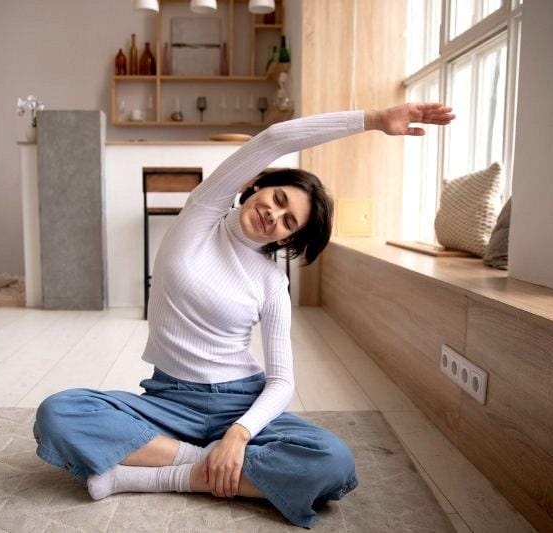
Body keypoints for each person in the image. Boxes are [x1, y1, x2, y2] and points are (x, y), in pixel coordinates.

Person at [33, 103, 455, 528]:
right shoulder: (199, 217)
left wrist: (240, 433)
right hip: (168, 402)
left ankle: (157, 474)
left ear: (288, 238)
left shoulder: (272, 284)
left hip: (239, 403)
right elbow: (274, 139)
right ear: (257, 185)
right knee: (59, 413)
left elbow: (282, 380)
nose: (273, 214)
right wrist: (373, 120)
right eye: (277, 198)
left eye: (288, 221)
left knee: (333, 464)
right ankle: (206, 467)